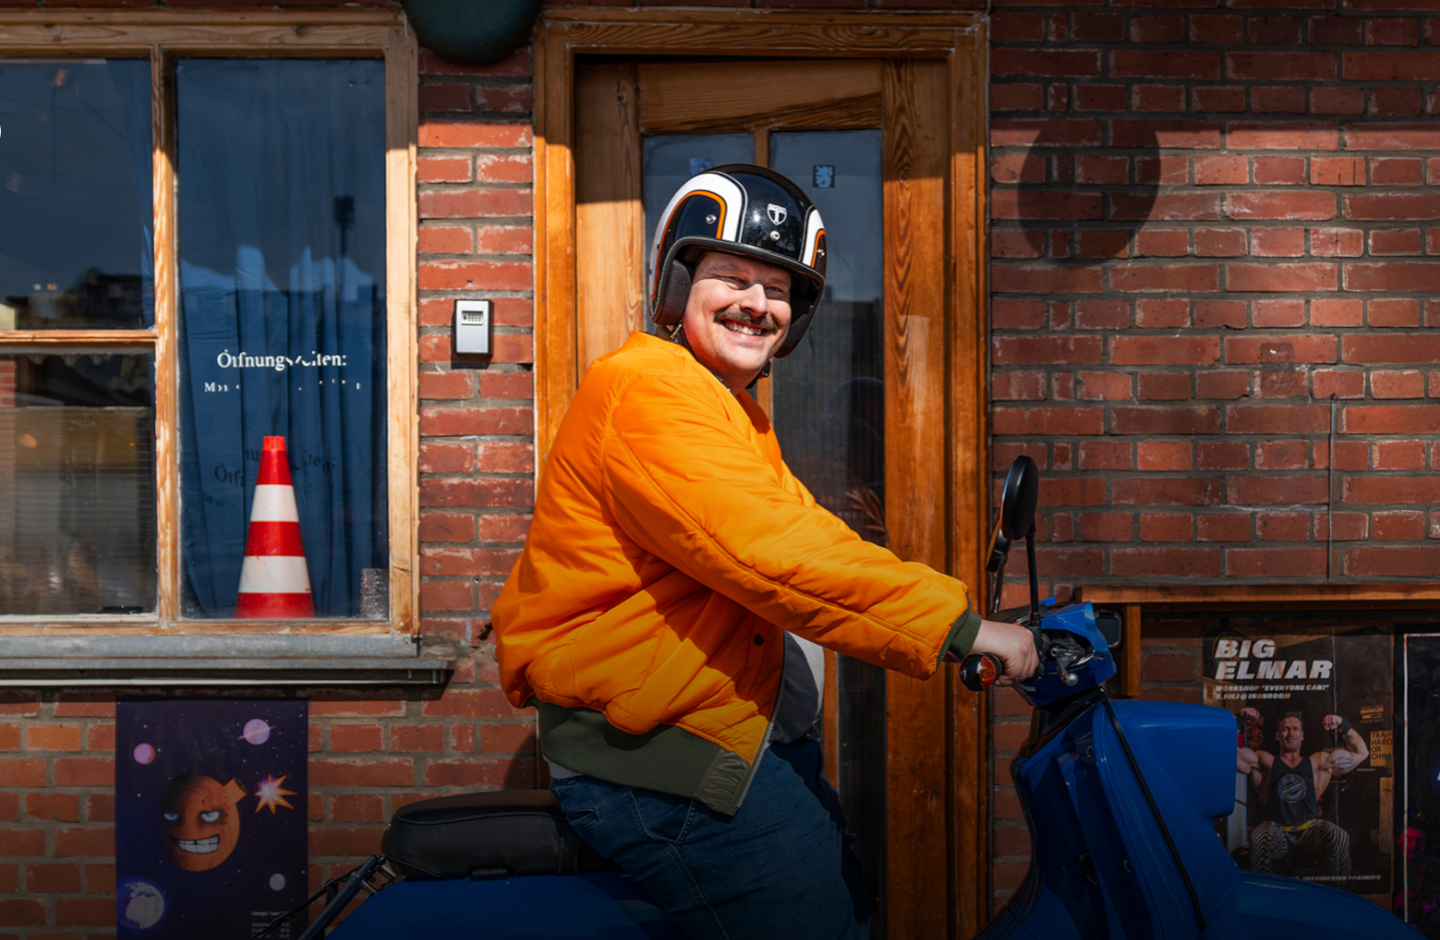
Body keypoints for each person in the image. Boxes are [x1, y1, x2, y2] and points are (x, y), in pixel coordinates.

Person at [492, 165, 1038, 940]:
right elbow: (771, 554)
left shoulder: (726, 411)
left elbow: (805, 532)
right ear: (679, 288)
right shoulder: (649, 393)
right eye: (732, 277)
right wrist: (962, 627)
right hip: (663, 761)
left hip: (721, 737)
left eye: (779, 289)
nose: (756, 303)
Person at [1236, 707, 1368, 877]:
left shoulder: (1318, 762)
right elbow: (1227, 754)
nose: (1290, 733)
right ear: (1277, 735)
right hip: (1278, 833)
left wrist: (1342, 723)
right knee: (1259, 836)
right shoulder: (1264, 761)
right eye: (1285, 729)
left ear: (1302, 736)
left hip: (1310, 832)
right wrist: (1240, 720)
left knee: (1339, 835)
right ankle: (1263, 896)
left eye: (1295, 729)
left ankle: (1336, 894)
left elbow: (1361, 752)